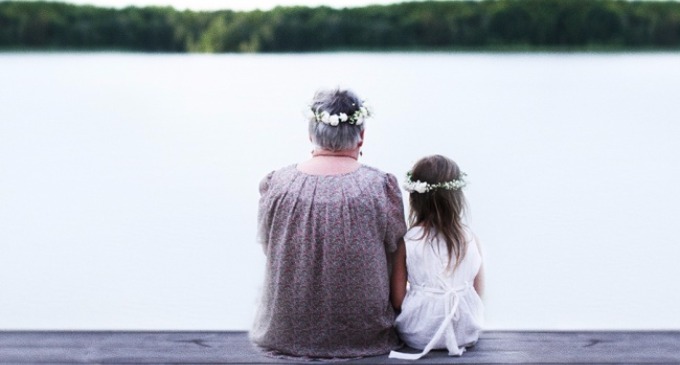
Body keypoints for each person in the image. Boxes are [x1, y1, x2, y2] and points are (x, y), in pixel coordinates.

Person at [250, 88, 407, 359]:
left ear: (311, 134)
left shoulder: (276, 185)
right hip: (365, 338)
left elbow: (269, 248)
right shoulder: (381, 187)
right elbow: (397, 254)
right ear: (361, 136)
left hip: (284, 335)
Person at [389, 155, 485, 360]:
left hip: (419, 334)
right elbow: (478, 291)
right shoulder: (471, 238)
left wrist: (426, 294)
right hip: (465, 330)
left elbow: (397, 300)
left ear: (415, 199)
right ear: (457, 197)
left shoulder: (407, 242)